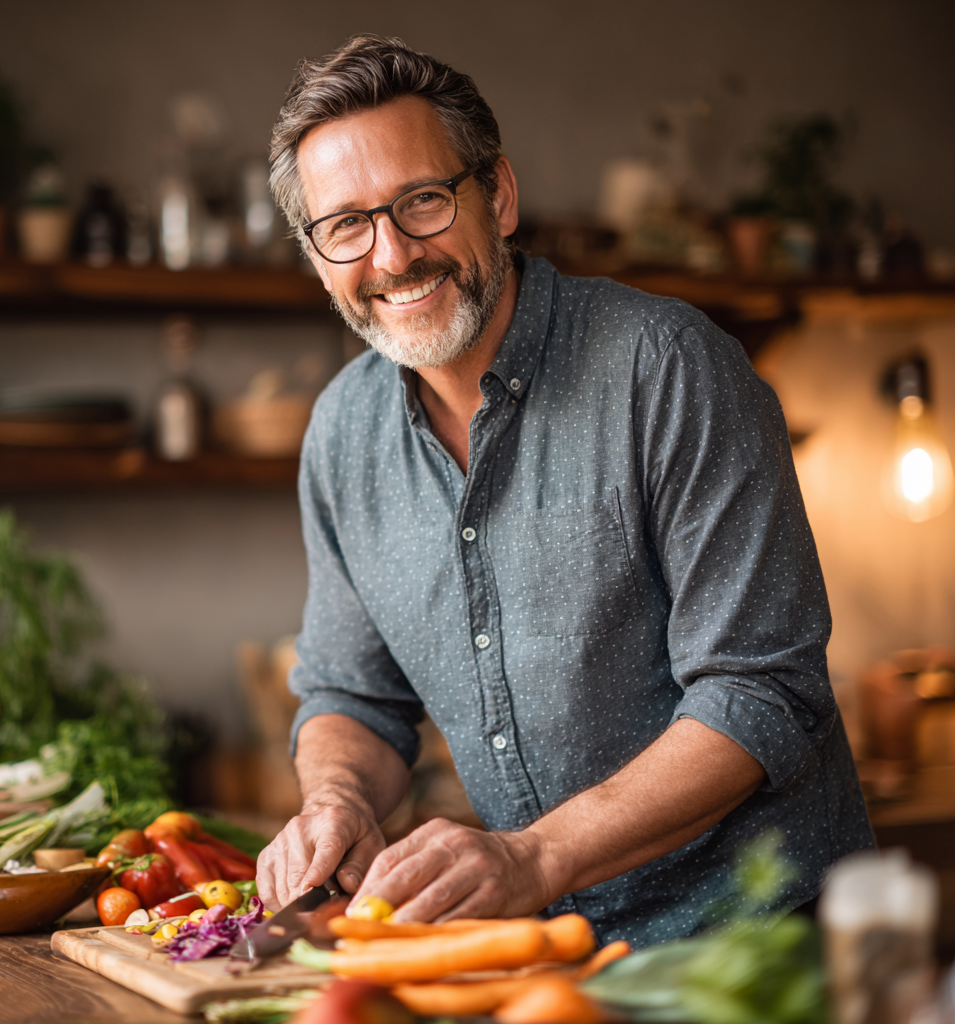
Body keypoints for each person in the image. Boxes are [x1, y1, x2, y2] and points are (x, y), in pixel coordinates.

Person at [256, 34, 874, 948]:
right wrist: (339, 798)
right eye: (345, 224)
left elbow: (759, 690)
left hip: (763, 950)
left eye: (422, 201)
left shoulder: (668, 369)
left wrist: (535, 857)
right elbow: (353, 696)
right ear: (317, 254)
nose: (390, 256)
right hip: (550, 959)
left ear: (497, 195)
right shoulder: (342, 436)